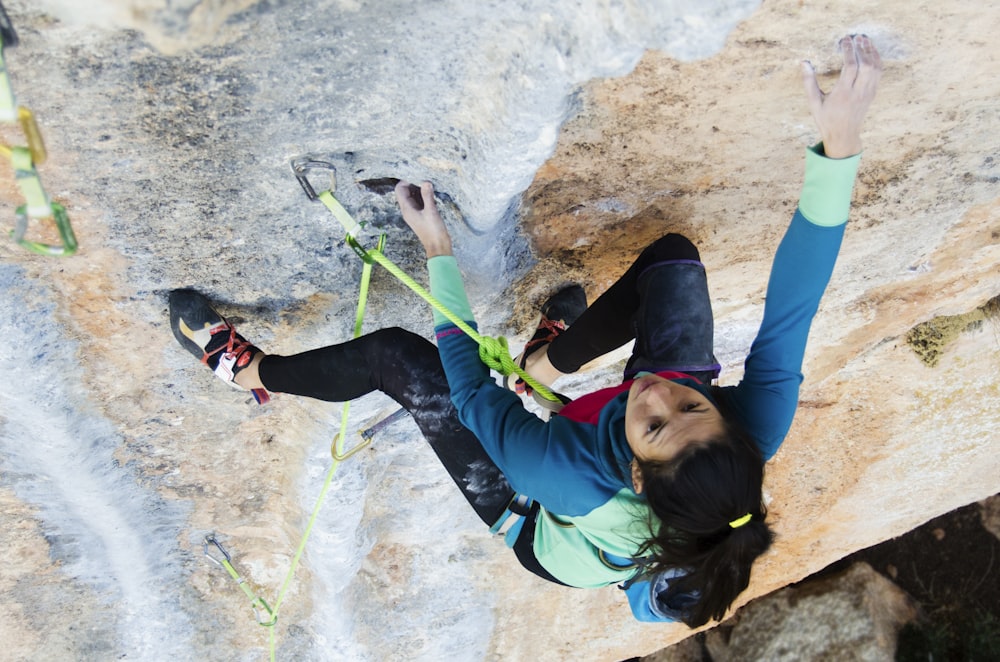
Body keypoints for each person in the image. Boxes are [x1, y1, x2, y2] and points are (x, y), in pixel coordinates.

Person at [169, 34, 881, 627]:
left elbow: (476, 399)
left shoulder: (564, 477)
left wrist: (438, 247)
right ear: (729, 427)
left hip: (533, 523)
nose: (663, 392)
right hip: (644, 469)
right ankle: (544, 366)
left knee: (397, 357)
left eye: (660, 423)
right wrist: (839, 147)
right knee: (672, 263)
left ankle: (249, 375)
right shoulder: (751, 431)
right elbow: (796, 304)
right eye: (695, 406)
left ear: (635, 472)